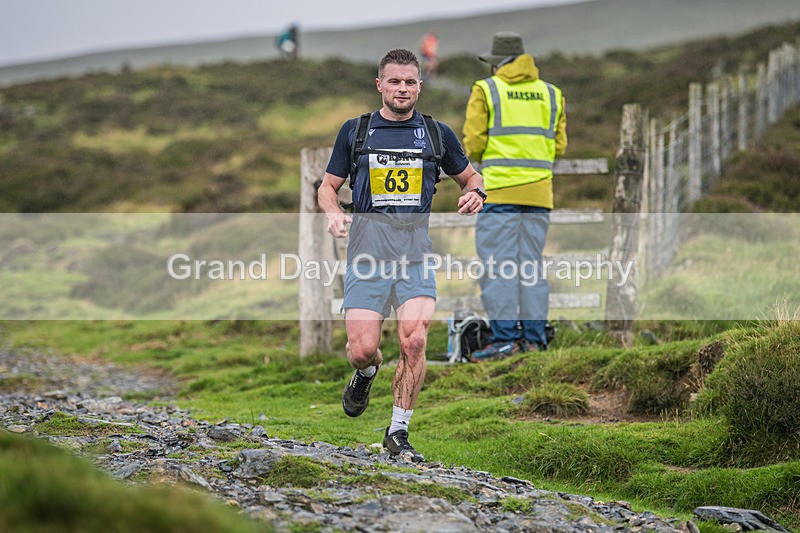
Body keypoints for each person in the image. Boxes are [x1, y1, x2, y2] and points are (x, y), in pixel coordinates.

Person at [318, 48, 486, 461]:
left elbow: (470, 176)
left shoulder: (436, 133)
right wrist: (334, 213)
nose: (402, 89)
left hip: (415, 253)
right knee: (361, 348)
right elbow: (327, 186)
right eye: (394, 81)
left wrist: (476, 193)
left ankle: (398, 432)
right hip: (367, 254)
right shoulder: (355, 131)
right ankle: (367, 372)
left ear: (419, 87)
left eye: (410, 82)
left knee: (415, 340)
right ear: (380, 85)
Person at [462, 31, 567, 360]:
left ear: (498, 63)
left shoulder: (487, 90)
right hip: (539, 195)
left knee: (498, 267)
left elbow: (474, 143)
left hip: (498, 191)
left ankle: (505, 339)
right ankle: (535, 340)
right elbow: (559, 146)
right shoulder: (551, 93)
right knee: (531, 268)